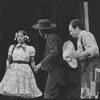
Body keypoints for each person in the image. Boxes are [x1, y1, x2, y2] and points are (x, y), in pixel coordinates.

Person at [32, 19, 68, 100]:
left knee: (48, 94)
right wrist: (47, 65)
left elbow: (54, 53)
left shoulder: (51, 37)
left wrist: (39, 65)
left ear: (41, 31)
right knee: (56, 94)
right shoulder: (52, 36)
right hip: (55, 69)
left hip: (57, 70)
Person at [0, 30, 42, 99]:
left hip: (24, 70)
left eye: (21, 36)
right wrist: (7, 65)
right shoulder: (12, 47)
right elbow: (8, 59)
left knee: (23, 92)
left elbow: (32, 61)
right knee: (13, 93)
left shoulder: (30, 48)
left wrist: (34, 67)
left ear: (25, 37)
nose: (19, 38)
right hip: (14, 70)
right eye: (18, 36)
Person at [68, 19, 100, 99]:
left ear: (77, 28)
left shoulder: (86, 35)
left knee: (91, 93)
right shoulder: (79, 38)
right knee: (86, 93)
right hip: (86, 66)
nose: (70, 33)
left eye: (71, 31)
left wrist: (80, 54)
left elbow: (94, 49)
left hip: (91, 65)